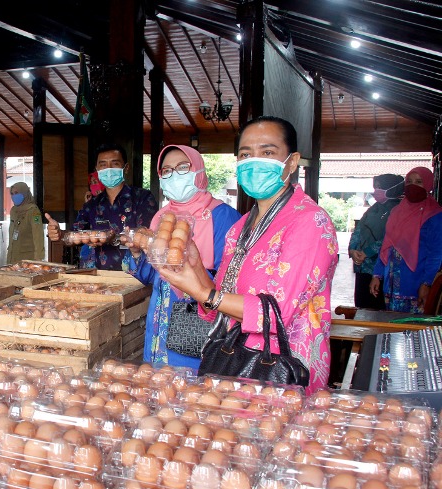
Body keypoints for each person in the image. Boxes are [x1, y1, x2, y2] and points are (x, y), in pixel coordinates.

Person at [158, 116, 339, 394]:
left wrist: (206, 294)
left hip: (283, 371)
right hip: (233, 360)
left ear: (291, 162)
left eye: (267, 152)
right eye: (245, 154)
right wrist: (196, 274)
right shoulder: (241, 227)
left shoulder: (310, 222)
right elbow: (221, 301)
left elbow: (277, 312)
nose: (254, 161)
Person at [124, 145, 241, 368]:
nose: (174, 175)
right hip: (160, 318)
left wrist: (191, 271)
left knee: (194, 389)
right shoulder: (161, 217)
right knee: (160, 388)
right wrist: (137, 251)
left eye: (183, 167)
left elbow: (233, 283)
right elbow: (153, 275)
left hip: (198, 319)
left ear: (198, 170)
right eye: (166, 171)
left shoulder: (223, 217)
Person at [45, 143, 158, 270]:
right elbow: (75, 235)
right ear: (97, 170)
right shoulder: (92, 205)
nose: (108, 169)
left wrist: (111, 238)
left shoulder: (143, 198)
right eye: (103, 165)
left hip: (137, 275)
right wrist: (59, 234)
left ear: (126, 168)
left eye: (115, 164)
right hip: (101, 277)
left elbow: (147, 235)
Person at [370, 167, 442, 313]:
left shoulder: (434, 214)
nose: (413, 185)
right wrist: (377, 275)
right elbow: (386, 245)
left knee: (411, 329)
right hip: (391, 283)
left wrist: (426, 284)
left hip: (415, 284)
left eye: (419, 182)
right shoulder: (397, 211)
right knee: (391, 326)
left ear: (428, 185)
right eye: (409, 181)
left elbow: (436, 253)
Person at [348, 173, 404, 309]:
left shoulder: (399, 210)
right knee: (361, 306)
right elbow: (359, 229)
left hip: (379, 267)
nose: (376, 191)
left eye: (379, 187)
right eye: (375, 187)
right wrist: (352, 248)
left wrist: (367, 252)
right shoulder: (374, 208)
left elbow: (390, 238)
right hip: (362, 265)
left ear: (391, 188)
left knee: (376, 307)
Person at [6, 181, 45, 263]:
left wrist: (38, 258)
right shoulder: (14, 211)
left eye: (16, 193)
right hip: (13, 255)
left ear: (24, 193)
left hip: (27, 258)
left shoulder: (33, 211)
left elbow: (38, 235)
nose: (14, 196)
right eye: (12, 194)